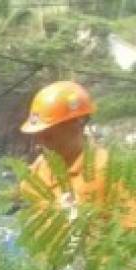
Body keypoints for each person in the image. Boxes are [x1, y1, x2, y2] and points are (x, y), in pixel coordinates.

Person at [20, 80, 136, 228]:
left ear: (77, 123)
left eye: (48, 134)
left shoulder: (113, 173)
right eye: (37, 134)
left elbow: (128, 238)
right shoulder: (36, 172)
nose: (40, 140)